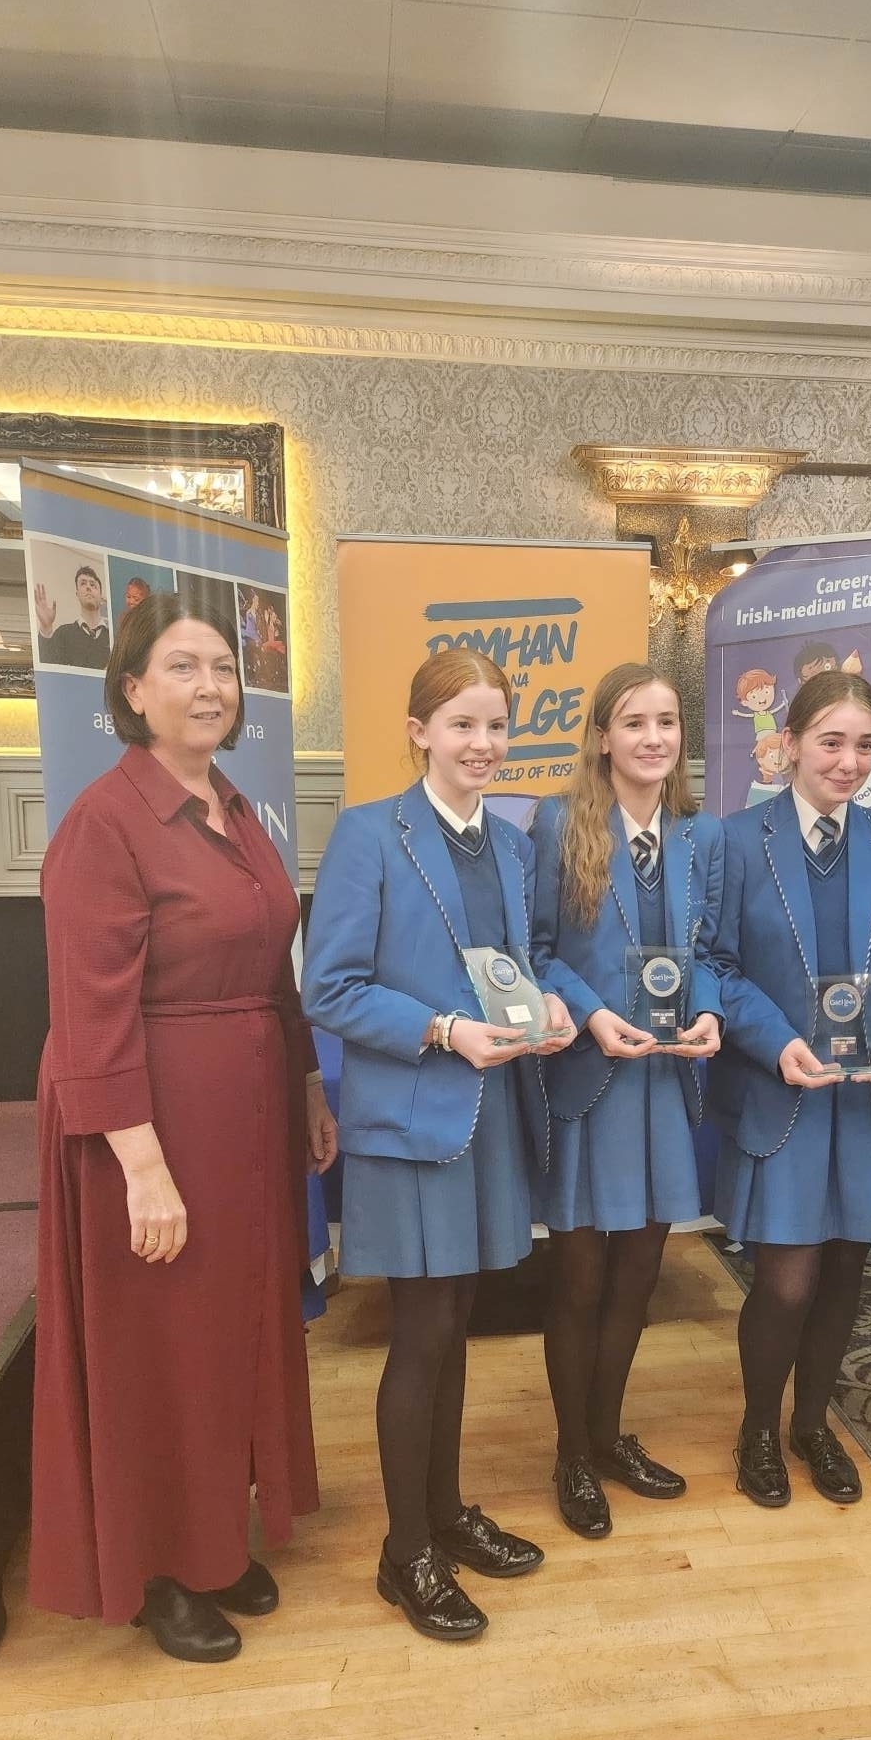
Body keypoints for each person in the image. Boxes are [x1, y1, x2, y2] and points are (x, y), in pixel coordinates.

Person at [31, 592, 337, 1663]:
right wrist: (143, 1167)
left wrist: (308, 1085)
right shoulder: (104, 823)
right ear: (132, 690)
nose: (211, 686)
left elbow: (274, 971)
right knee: (159, 1344)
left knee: (232, 1329)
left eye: (222, 667)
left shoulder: (237, 810)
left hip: (246, 1110)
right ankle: (158, 1568)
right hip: (150, 1121)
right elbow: (89, 1012)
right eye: (181, 667)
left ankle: (214, 1536)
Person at [303, 649, 576, 1642]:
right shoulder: (370, 833)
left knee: (457, 1323)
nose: (483, 744)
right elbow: (329, 989)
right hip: (415, 1121)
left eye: (497, 725)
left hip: (489, 1116)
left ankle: (447, 1513)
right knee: (421, 1334)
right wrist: (441, 1029)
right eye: (463, 724)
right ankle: (405, 1550)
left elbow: (517, 965)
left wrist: (545, 1007)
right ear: (419, 731)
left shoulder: (511, 845)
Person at [710, 671, 871, 1509]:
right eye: (831, 742)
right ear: (790, 744)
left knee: (845, 1271)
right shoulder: (737, 840)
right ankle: (757, 1430)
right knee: (787, 1282)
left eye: (865, 745)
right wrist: (777, 1044)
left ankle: (813, 1425)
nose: (848, 762)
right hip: (786, 1092)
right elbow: (714, 966)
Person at [530, 663, 725, 1538]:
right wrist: (592, 1015)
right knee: (580, 1281)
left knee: (641, 1275)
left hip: (665, 1081)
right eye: (635, 722)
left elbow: (710, 952)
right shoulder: (558, 823)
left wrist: (711, 1009)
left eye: (667, 721)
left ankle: (608, 1435)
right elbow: (535, 951)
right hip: (591, 1078)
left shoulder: (698, 835)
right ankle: (571, 1452)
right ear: (603, 736)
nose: (654, 737)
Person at [34, 563, 111, 670]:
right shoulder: (63, 634)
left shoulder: (113, 638)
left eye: (93, 585)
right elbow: (47, 669)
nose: (88, 587)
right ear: (77, 594)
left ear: (101, 596)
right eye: (83, 584)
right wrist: (45, 628)